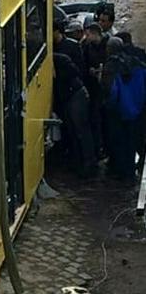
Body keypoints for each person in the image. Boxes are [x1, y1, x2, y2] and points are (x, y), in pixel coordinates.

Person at [103, 38, 146, 181]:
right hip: (136, 108)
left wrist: (108, 105)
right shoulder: (135, 62)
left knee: (119, 141)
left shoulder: (111, 66)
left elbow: (111, 90)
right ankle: (131, 169)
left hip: (118, 110)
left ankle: (122, 172)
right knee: (131, 141)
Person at [53, 52, 96, 177]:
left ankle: (88, 162)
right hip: (72, 95)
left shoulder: (60, 59)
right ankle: (81, 162)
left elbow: (74, 72)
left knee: (81, 130)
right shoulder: (61, 58)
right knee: (76, 130)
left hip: (75, 95)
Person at [82, 22, 107, 157]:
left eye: (88, 34)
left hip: (103, 88)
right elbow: (84, 63)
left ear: (95, 34)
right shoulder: (87, 46)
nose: (86, 37)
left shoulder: (107, 45)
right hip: (93, 87)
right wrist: (90, 70)